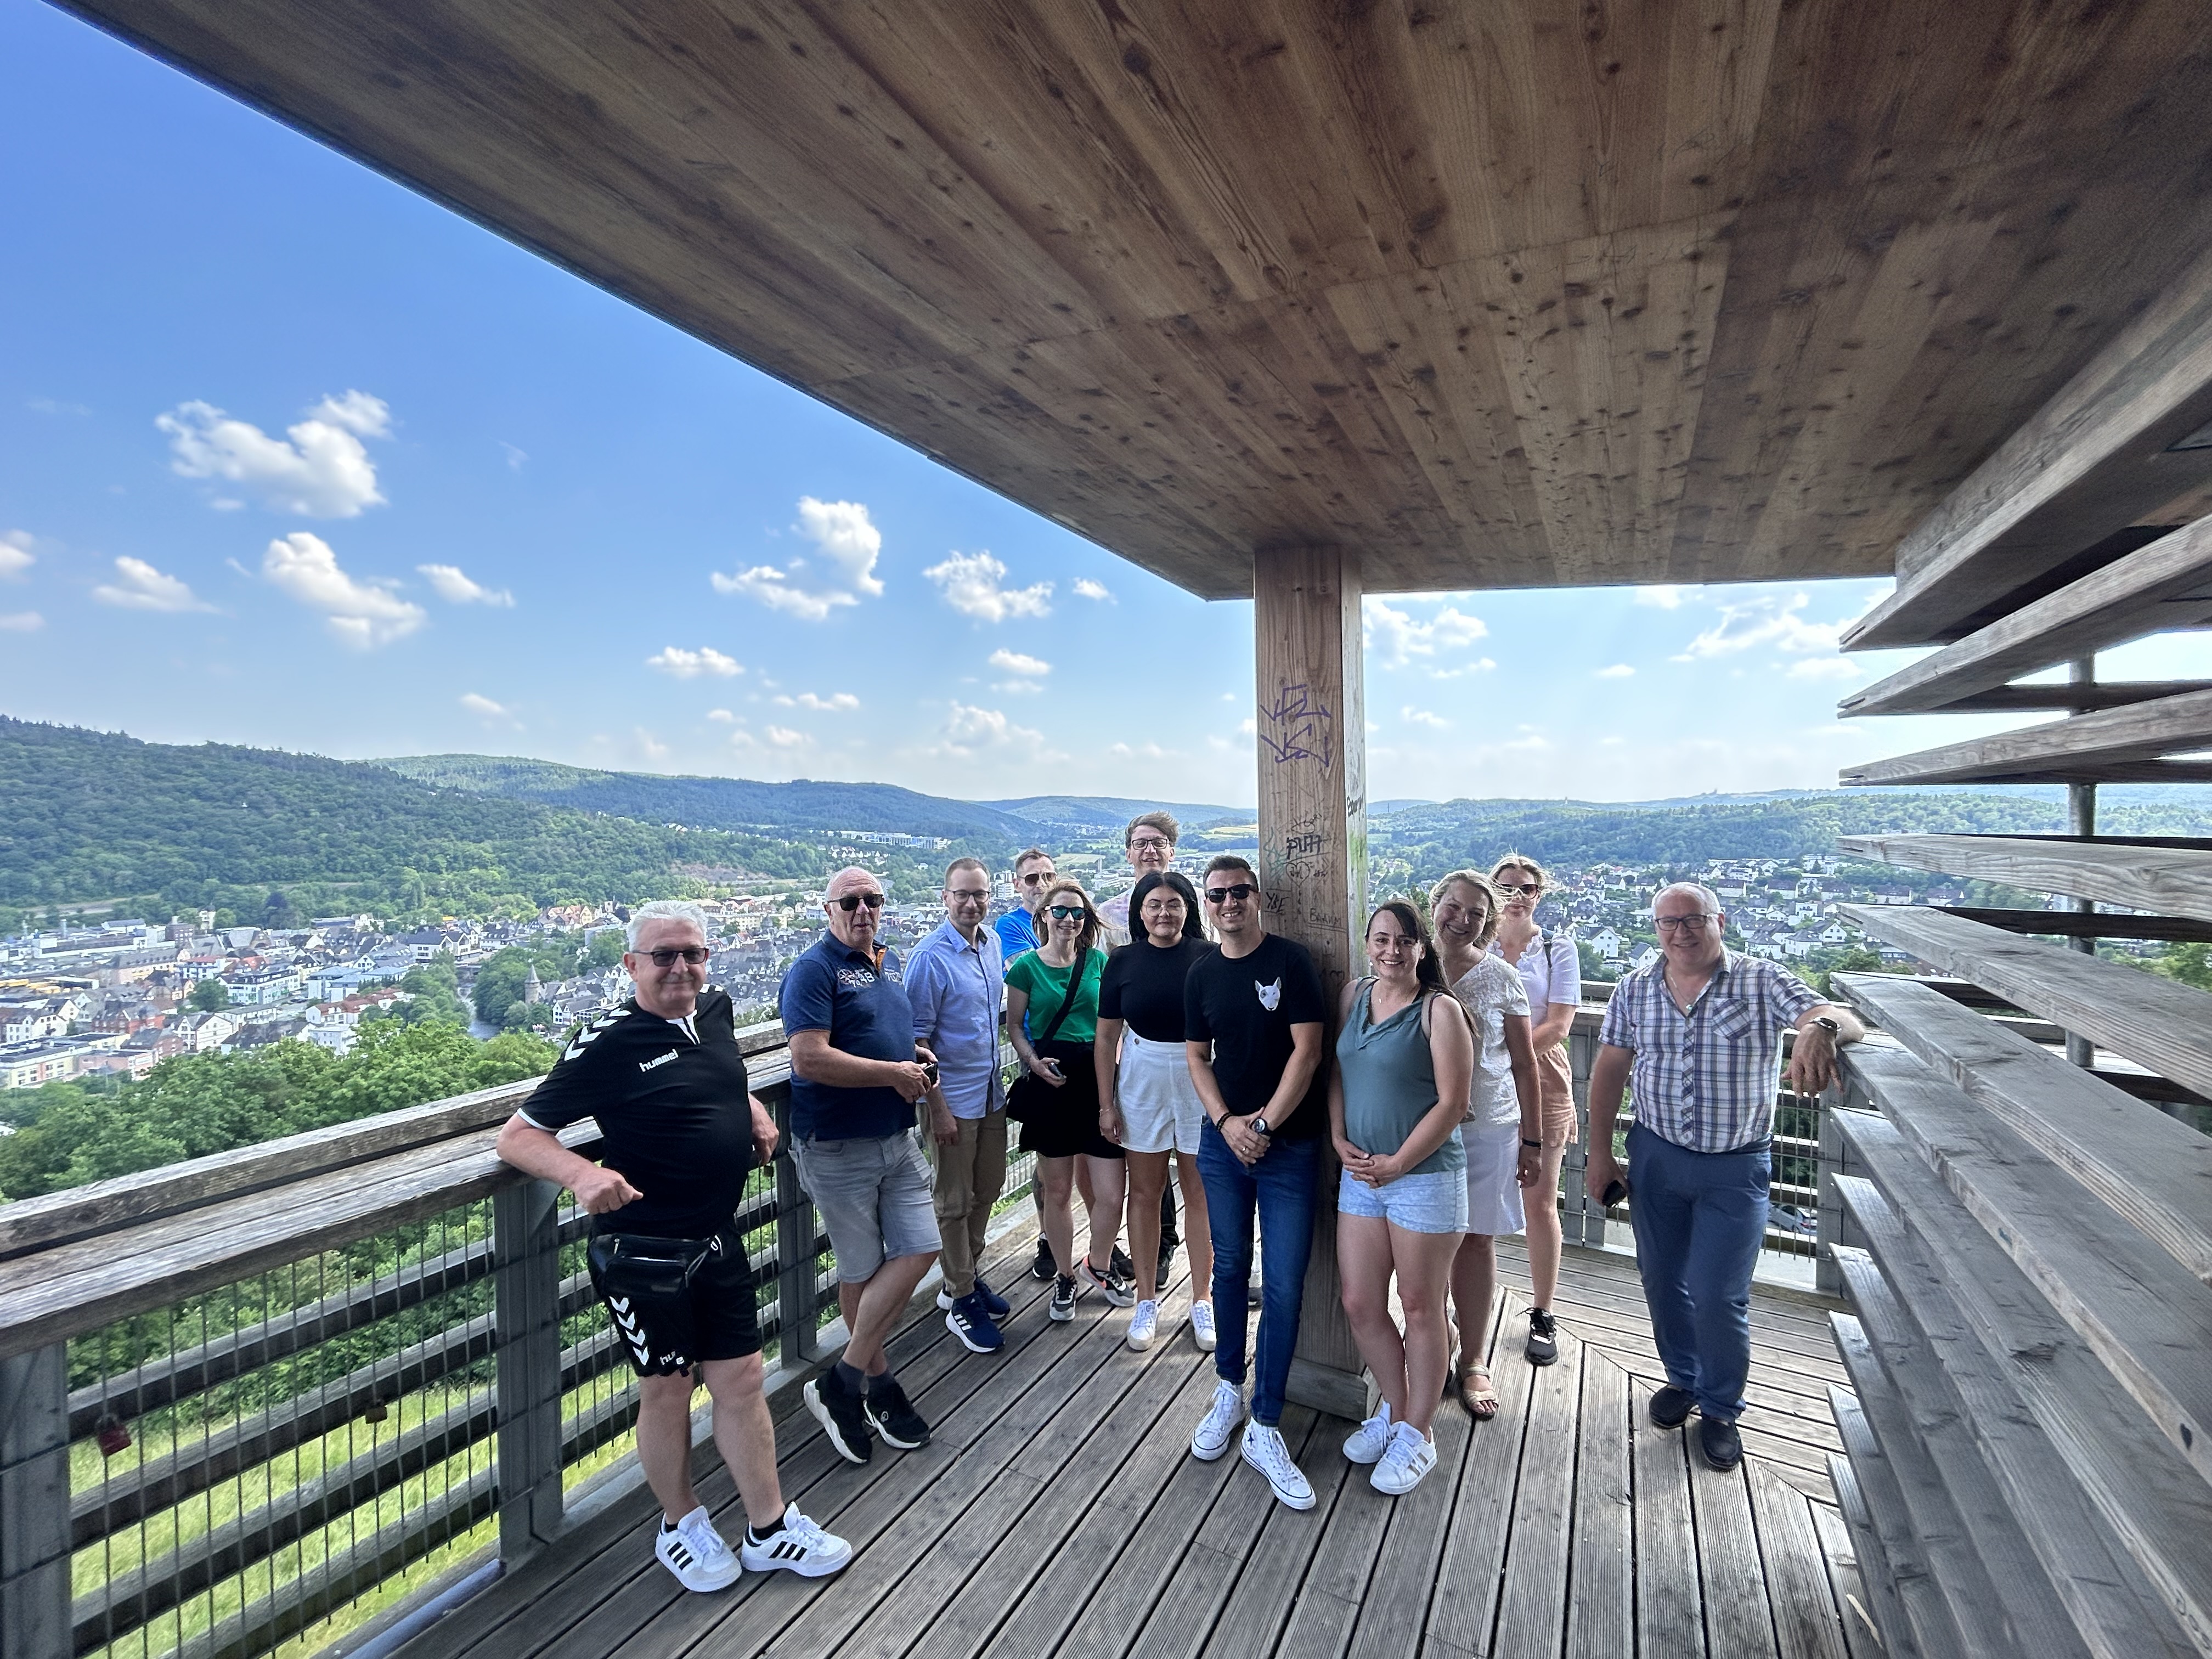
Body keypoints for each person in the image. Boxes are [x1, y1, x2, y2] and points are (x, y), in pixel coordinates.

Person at [495, 900, 851, 1590]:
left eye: (693, 952)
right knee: (667, 1389)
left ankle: (769, 1528)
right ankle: (679, 1524)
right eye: (664, 956)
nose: (682, 967)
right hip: (645, 1251)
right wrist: (580, 1174)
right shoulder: (606, 1041)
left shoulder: (713, 1008)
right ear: (631, 964)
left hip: (716, 1235)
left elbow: (722, 1070)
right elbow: (517, 1136)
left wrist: (749, 1111)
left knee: (743, 1381)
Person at [1587, 882, 1862, 1471]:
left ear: (1721, 920)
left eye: (1694, 919)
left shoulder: (1762, 979)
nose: (1681, 932)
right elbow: (1611, 1066)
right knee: (1661, 1280)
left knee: (1717, 1294)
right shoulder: (1635, 988)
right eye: (1668, 922)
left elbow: (1839, 1016)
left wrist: (1824, 1030)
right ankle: (1683, 1379)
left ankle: (1720, 1407)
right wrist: (1599, 1152)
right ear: (1655, 928)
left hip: (1735, 1166)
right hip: (1656, 1157)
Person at [782, 867, 949, 1466]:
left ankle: (844, 1381)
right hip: (838, 1142)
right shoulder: (813, 969)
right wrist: (893, 1074)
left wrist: (911, 1055)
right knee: (861, 1267)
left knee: (922, 1246)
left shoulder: (884, 960)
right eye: (850, 902)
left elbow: (878, 1035)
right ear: (828, 909)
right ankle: (878, 1386)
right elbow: (808, 1057)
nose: (863, 910)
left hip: (894, 1136)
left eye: (873, 900)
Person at [1183, 855, 1327, 1511]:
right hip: (1222, 1144)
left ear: (1258, 897)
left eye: (1239, 892)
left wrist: (1264, 1122)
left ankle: (1265, 1422)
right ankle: (1226, 1390)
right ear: (1207, 905)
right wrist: (1226, 1121)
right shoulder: (1202, 973)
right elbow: (1196, 1055)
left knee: (1289, 1281)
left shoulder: (1292, 961)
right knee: (1230, 1270)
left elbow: (1308, 1050)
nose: (1229, 903)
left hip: (1289, 1145)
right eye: (1217, 896)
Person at [1332, 901, 1475, 1495]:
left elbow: (1453, 1103)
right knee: (1361, 1301)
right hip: (1361, 1175)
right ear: (1368, 943)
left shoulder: (1440, 1011)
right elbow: (1336, 1074)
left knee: (1421, 1305)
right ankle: (1393, 1407)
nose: (1392, 951)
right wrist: (1337, 1137)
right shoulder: (1353, 996)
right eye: (1381, 939)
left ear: (1423, 949)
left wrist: (1400, 1163)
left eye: (1405, 941)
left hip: (1424, 1178)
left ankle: (1420, 1432)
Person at [1430, 870, 1541, 1420]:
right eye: (1454, 905)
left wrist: (1533, 1140)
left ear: (1489, 923)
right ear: (1436, 906)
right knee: (1420, 1243)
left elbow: (1524, 1064)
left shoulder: (1500, 977)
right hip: (1417, 1128)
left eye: (1476, 913)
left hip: (1487, 1129)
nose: (1462, 918)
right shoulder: (1407, 963)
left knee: (1475, 1242)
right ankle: (1438, 1336)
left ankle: (1473, 1358)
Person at [1096, 870, 1216, 1352]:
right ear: (1139, 912)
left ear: (1188, 909)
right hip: (1142, 1073)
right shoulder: (1121, 960)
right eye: (1154, 905)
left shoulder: (1209, 957)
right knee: (1144, 1193)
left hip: (1199, 1072)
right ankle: (1147, 1300)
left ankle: (1202, 1299)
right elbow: (1107, 1036)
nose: (1163, 913)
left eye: (1173, 904)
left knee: (1200, 1192)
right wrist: (1106, 1103)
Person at [1005, 879, 1128, 1322]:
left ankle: (1096, 1263)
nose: (1069, 920)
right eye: (1060, 911)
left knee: (1112, 1192)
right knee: (1056, 1190)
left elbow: (1113, 1024)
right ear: (1044, 916)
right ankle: (1064, 1275)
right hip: (1052, 1078)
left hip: (1097, 1079)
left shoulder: (1100, 962)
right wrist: (1032, 1061)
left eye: (1077, 913)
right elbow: (1016, 1025)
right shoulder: (1024, 968)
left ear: (1087, 919)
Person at [906, 857, 1012, 1355]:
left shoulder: (990, 946)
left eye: (980, 895)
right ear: (945, 898)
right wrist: (938, 1107)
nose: (972, 904)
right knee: (952, 1199)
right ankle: (962, 1297)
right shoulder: (930, 958)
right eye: (962, 895)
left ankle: (962, 1279)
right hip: (951, 1098)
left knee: (987, 1187)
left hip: (989, 1092)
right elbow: (915, 1041)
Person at [1488, 854, 1582, 1367]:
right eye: (1506, 887)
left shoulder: (1556, 948)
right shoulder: (1476, 945)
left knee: (1539, 1201)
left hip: (1542, 1079)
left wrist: (1499, 1059)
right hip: (1485, 1081)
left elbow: (1561, 1024)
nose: (1517, 895)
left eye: (1527, 888)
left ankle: (1543, 1310)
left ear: (1539, 894)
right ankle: (1466, 1301)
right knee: (1474, 1189)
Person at [1096, 810, 1187, 1290]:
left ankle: (1180, 1255)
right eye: (1141, 843)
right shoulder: (1107, 918)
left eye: (1158, 843)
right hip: (1133, 1050)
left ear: (1172, 850)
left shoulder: (1188, 906)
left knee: (1187, 1166)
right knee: (1145, 1163)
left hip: (1187, 1052)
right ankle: (1155, 1253)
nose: (1149, 850)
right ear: (1128, 851)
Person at [996, 847, 1054, 964]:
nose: (1041, 884)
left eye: (1048, 877)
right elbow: (1031, 972)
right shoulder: (1009, 924)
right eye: (1032, 879)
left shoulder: (1068, 918)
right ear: (1017, 885)